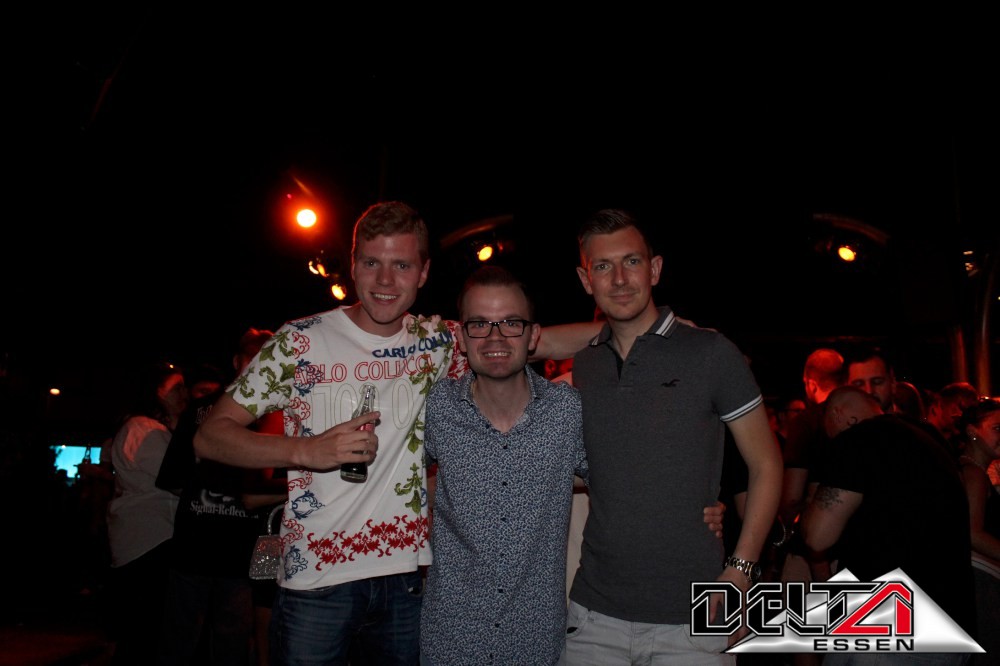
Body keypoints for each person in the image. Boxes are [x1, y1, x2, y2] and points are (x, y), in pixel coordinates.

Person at [193, 201, 600, 665]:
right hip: (316, 584)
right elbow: (210, 436)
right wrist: (306, 450)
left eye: (401, 265)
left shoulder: (437, 341)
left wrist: (640, 331)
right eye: (372, 263)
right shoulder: (299, 341)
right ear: (353, 266)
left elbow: (533, 341)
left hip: (404, 582)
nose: (385, 280)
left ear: (423, 272)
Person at [562, 208, 783, 664]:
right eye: (603, 266)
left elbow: (766, 464)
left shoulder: (711, 353)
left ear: (655, 269)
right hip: (594, 615)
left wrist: (741, 570)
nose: (619, 279)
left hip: (694, 616)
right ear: (586, 280)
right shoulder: (585, 366)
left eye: (632, 261)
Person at [419, 265, 587, 665]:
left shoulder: (567, 412)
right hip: (451, 643)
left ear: (533, 335)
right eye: (480, 324)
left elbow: (623, 482)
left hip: (537, 644)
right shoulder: (437, 408)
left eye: (511, 323)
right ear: (462, 338)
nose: (495, 337)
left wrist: (699, 508)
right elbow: (388, 480)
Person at [800, 386, 976, 665]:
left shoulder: (857, 439)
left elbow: (816, 536)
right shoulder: (929, 437)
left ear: (839, 415)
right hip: (951, 621)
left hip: (889, 627)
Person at [156, 342, 282, 666]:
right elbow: (174, 476)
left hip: (242, 551)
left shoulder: (275, 413)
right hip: (200, 549)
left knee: (229, 640)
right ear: (237, 361)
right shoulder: (207, 411)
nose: (260, 365)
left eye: (268, 357)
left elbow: (175, 479)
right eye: (254, 356)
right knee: (191, 640)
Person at [105, 361, 188, 666]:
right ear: (157, 392)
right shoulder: (145, 430)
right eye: (177, 387)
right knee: (146, 631)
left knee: (143, 631)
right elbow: (177, 479)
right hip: (151, 540)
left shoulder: (145, 428)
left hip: (145, 539)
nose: (184, 393)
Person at [955, 397, 1000, 664]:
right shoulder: (973, 473)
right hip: (981, 582)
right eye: (997, 428)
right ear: (972, 431)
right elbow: (972, 533)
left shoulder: (974, 471)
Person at [925, 381, 981, 459]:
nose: (963, 416)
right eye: (962, 408)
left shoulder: (958, 444)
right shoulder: (921, 439)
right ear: (939, 404)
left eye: (968, 413)